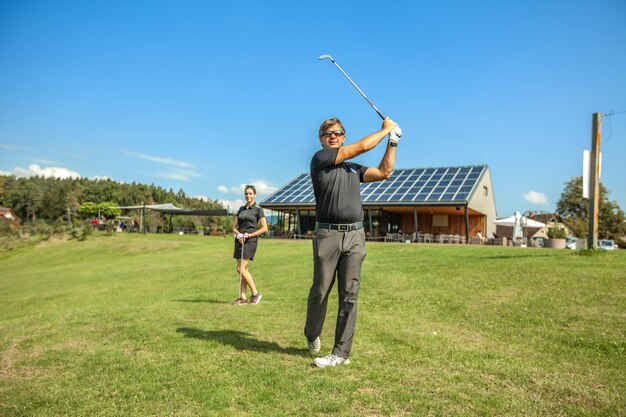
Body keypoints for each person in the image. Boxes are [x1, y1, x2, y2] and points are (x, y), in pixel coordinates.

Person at [305, 116, 401, 368]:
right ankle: (312, 333)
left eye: (337, 133)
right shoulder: (321, 160)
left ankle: (341, 353)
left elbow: (384, 172)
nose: (333, 136)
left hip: (356, 236)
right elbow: (362, 146)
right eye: (328, 134)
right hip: (328, 235)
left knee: (349, 294)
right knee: (320, 291)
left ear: (343, 136)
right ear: (322, 139)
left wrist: (392, 141)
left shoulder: (353, 169)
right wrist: (385, 129)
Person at [232, 185, 268, 305]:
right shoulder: (241, 209)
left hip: (250, 241)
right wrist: (239, 235)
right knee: (244, 270)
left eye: (250, 193)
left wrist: (249, 235)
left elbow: (264, 228)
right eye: (246, 194)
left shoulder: (258, 209)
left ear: (255, 195)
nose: (248, 196)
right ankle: (243, 297)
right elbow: (234, 227)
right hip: (239, 240)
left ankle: (255, 293)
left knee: (240, 268)